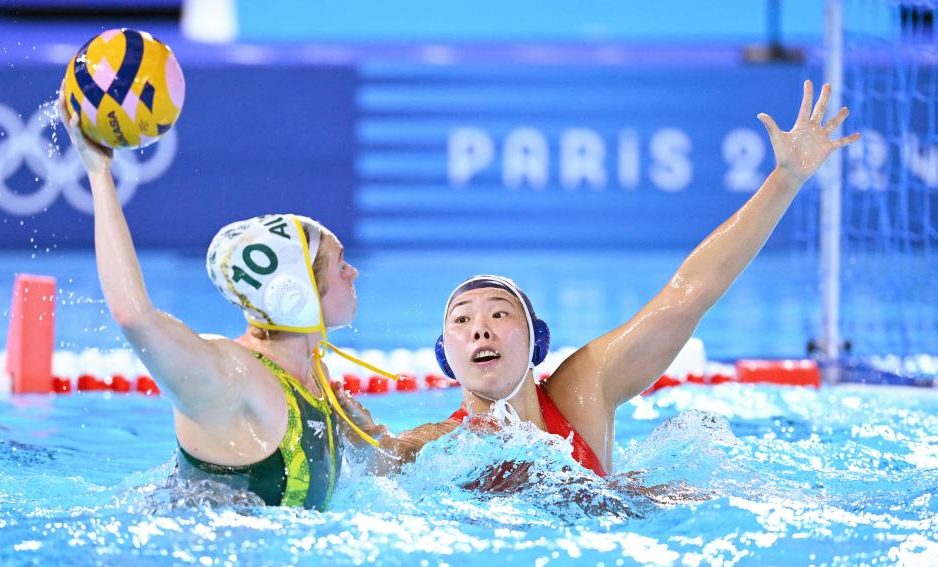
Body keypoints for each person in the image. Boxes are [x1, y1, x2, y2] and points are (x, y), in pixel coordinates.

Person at [338, 81, 860, 484]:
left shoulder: (582, 392)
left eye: (499, 313)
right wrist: (354, 440)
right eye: (462, 321)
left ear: (537, 340)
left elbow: (688, 294)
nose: (480, 330)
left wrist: (785, 179)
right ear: (444, 354)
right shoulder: (435, 443)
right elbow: (377, 462)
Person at [57, 87, 396, 510]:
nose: (353, 272)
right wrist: (99, 174)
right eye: (339, 263)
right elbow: (133, 316)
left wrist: (367, 442)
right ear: (294, 290)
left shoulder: (312, 376)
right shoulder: (231, 376)